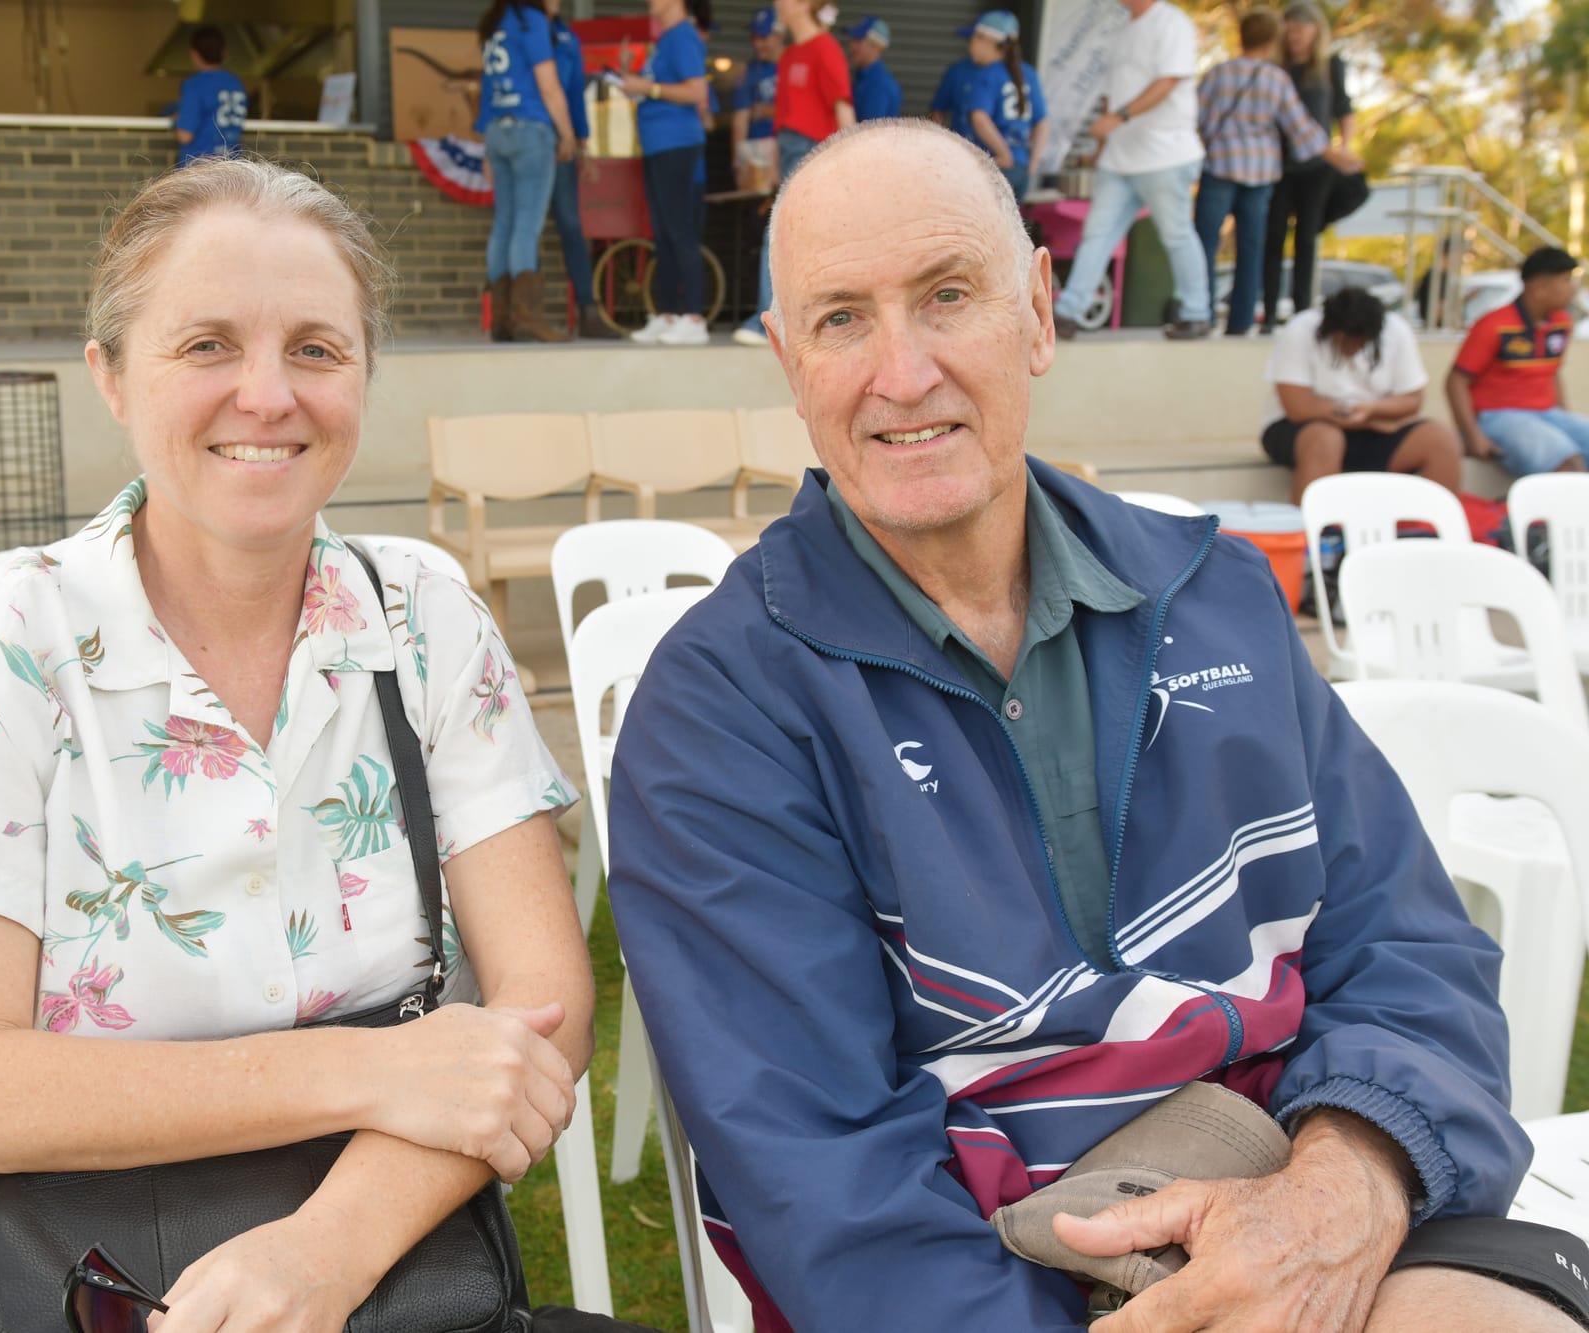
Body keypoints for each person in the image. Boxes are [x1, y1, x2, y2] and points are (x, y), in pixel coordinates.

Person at [607, 119, 1587, 1332]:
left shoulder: (1213, 594)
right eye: (841, 318)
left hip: (1304, 1203)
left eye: (947, 295)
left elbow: (1410, 951)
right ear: (786, 359)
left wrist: (1342, 1192)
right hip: (990, 1283)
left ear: (1036, 313)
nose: (900, 372)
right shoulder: (720, 709)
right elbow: (828, 1181)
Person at [0, 156, 597, 1332]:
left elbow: (547, 1006)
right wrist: (373, 1068)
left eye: (315, 348)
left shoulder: (426, 617)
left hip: (380, 1243)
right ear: (110, 377)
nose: (266, 394)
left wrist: (324, 1252)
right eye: (205, 347)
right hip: (55, 1270)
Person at [1051, 0, 1212, 341]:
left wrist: (1120, 117)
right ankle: (1067, 313)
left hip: (1166, 154)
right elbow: (1111, 93)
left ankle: (1197, 313)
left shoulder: (1172, 23)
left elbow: (1168, 80)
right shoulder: (1122, 31)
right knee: (1097, 233)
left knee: (1176, 233)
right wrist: (1101, 146)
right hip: (1119, 157)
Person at [1194, 8, 1361, 336]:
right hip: (1260, 175)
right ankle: (1241, 322)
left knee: (1206, 244)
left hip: (1218, 167)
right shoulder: (1276, 79)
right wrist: (1335, 155)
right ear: (1272, 40)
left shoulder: (1217, 74)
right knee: (1252, 248)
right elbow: (1301, 128)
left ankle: (1203, 313)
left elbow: (1195, 121)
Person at [1260, 287, 1460, 501]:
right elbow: (1298, 408)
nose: (1354, 347)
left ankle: (1424, 528)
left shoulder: (1396, 329)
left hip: (1373, 424)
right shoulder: (1301, 329)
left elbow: (1412, 399)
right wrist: (1369, 420)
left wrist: (1373, 410)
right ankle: (1314, 529)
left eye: (1361, 341)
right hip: (1303, 429)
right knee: (1326, 439)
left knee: (1442, 439)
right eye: (1346, 340)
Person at [732, 0, 854, 346]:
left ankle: (769, 322)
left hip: (817, 152)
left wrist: (852, 163)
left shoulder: (825, 48)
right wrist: (771, 166)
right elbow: (781, 117)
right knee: (787, 235)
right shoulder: (789, 56)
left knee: (785, 235)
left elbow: (842, 107)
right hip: (788, 154)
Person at [478, 0, 578, 343]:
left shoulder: (494, 23)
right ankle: (526, 319)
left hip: (497, 131)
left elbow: (487, 92)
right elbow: (548, 85)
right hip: (530, 129)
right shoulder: (531, 20)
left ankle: (502, 321)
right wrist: (567, 132)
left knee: (503, 223)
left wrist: (486, 149)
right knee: (526, 225)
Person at [617, 0, 713, 345]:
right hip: (658, 145)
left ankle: (693, 317)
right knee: (663, 233)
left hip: (676, 144)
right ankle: (667, 313)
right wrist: (633, 77)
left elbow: (696, 91)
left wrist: (647, 88)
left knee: (680, 231)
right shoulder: (667, 39)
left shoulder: (683, 36)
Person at [1449, 246, 1589, 474]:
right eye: (1566, 281)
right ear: (1540, 287)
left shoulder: (1562, 322)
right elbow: (1456, 381)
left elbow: (1552, 374)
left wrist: (1566, 418)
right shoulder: (1494, 325)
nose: (1573, 289)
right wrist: (1473, 435)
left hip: (1548, 414)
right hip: (1498, 417)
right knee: (1567, 464)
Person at [1261, 1, 1356, 331]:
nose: (1295, 36)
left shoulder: (1330, 66)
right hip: (1277, 165)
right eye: (1290, 30)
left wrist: (1344, 147)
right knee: (1272, 237)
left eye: (1301, 29)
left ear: (1316, 31)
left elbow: (1344, 106)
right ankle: (1269, 311)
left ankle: (1302, 312)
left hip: (1318, 165)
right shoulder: (1276, 69)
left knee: (1306, 238)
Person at [547, 0, 625, 338]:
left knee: (570, 224)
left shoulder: (566, 37)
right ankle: (520, 314)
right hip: (532, 138)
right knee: (524, 228)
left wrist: (584, 145)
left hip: (562, 148)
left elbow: (576, 95)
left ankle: (588, 310)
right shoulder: (522, 28)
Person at [929, 10, 1049, 199]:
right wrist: (1033, 163)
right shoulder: (1028, 73)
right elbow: (1042, 122)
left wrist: (1003, 153)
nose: (971, 46)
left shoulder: (987, 73)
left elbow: (979, 117)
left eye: (974, 39)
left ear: (986, 40)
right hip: (1021, 168)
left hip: (994, 166)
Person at [173, 26, 248, 167]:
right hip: (232, 165)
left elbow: (184, 135)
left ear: (194, 54)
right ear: (223, 53)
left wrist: (177, 120)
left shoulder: (195, 84)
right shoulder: (236, 83)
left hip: (200, 167)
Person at [731, 9, 785, 193]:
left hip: (791, 152)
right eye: (754, 38)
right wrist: (738, 163)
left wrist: (764, 111)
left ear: (780, 36)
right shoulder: (748, 73)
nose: (757, 44)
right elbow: (740, 120)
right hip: (758, 158)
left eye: (763, 38)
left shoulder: (794, 64)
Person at [846, 17, 902, 121]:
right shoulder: (863, 77)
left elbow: (868, 133)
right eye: (852, 40)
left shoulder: (877, 84)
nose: (852, 46)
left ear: (876, 47)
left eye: (858, 41)